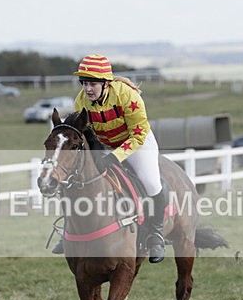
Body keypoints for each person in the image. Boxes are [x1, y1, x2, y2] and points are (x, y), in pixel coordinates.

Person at [52, 54, 167, 263]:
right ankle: (70, 229)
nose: (87, 89)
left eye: (92, 83)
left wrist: (115, 157)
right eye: (84, 83)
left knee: (151, 184)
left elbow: (139, 134)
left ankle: (156, 235)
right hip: (105, 144)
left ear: (106, 83)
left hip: (137, 142)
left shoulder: (127, 95)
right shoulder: (82, 100)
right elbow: (83, 132)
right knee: (77, 179)